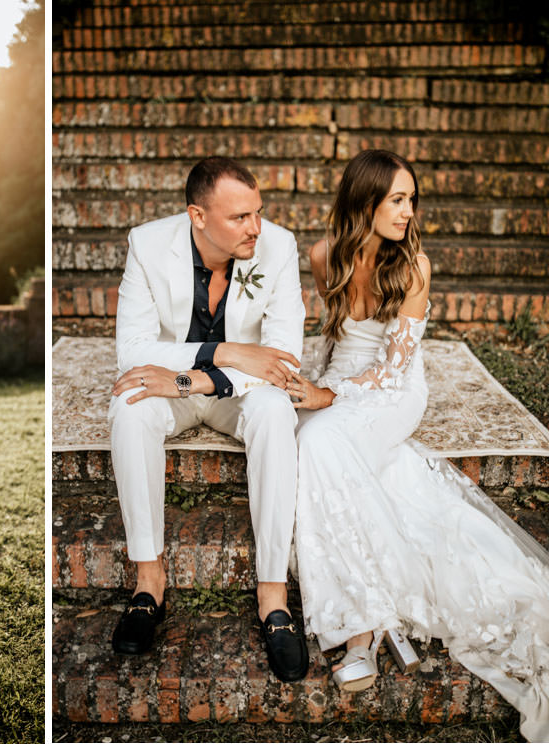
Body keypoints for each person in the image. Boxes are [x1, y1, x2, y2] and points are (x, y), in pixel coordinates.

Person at [289, 149, 549, 740]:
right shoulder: (323, 256)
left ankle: (359, 627)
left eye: (412, 199)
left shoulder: (414, 267)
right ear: (365, 202)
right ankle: (360, 621)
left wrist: (329, 400)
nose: (409, 211)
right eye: (397, 200)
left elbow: (392, 368)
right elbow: (334, 339)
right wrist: (311, 388)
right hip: (340, 376)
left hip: (395, 388)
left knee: (324, 439)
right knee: (308, 439)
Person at [108, 156, 309, 681]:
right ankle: (148, 583)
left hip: (229, 392)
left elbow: (284, 358)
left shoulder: (278, 248)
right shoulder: (147, 244)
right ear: (197, 215)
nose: (255, 228)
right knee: (129, 409)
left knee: (273, 409)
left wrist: (200, 376)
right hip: (177, 386)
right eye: (239, 217)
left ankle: (272, 595)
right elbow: (132, 350)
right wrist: (227, 353)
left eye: (258, 212)